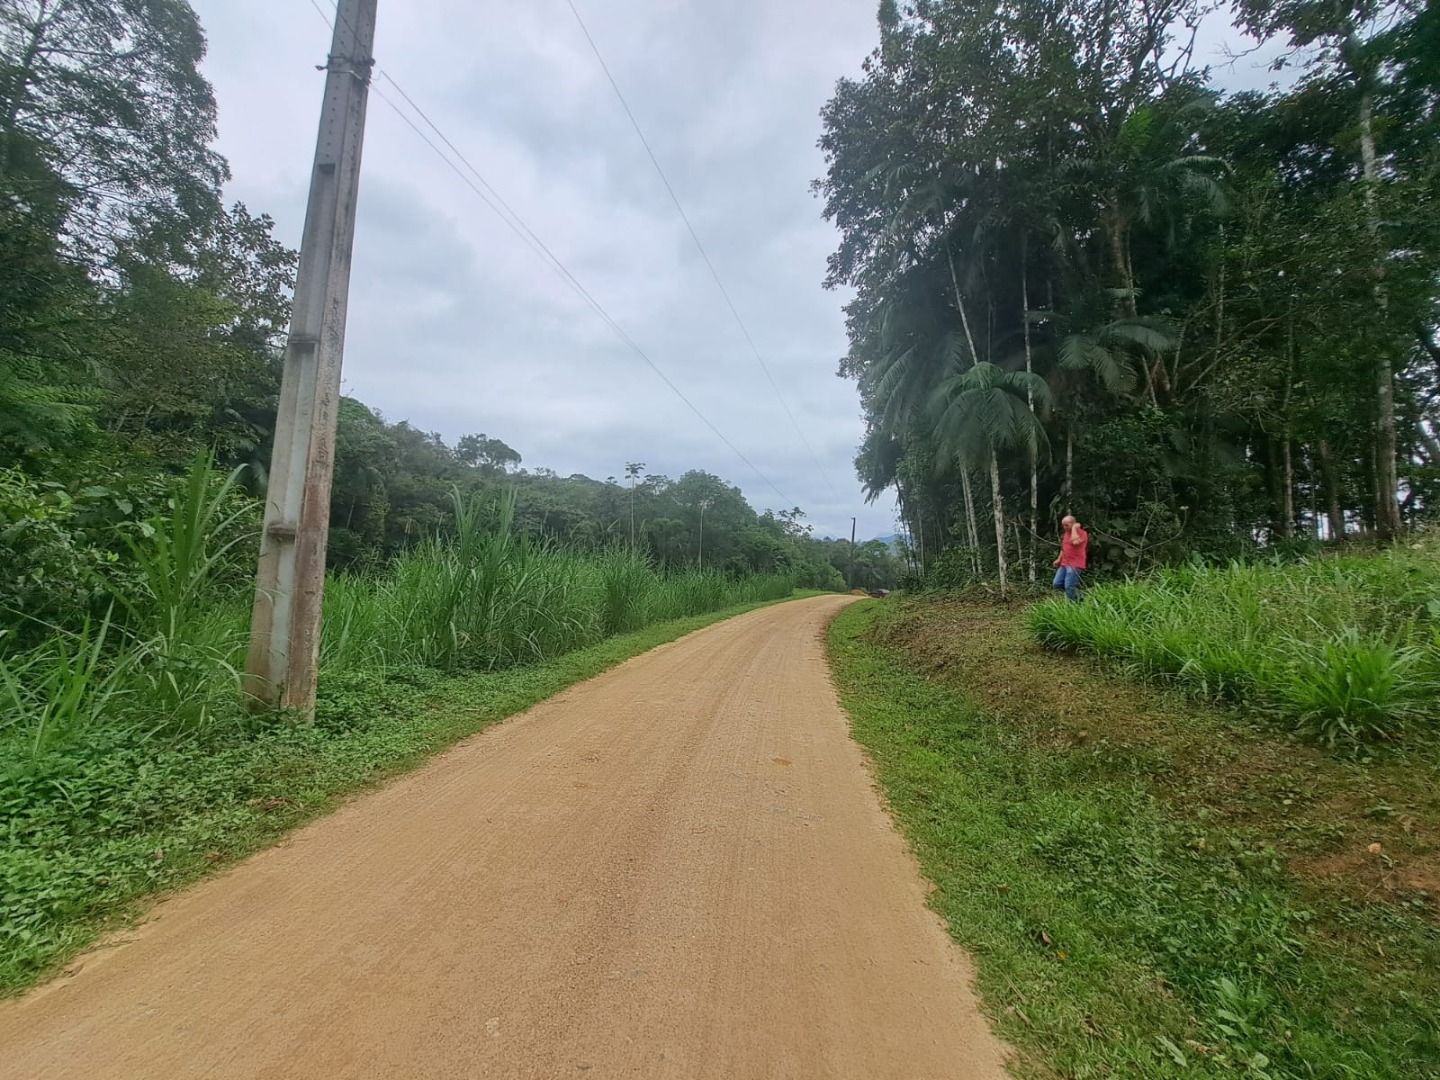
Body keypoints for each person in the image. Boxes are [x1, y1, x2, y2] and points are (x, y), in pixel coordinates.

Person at [1052, 515, 1088, 602]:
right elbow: (1064, 548)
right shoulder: (1066, 534)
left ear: (1073, 524)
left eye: (1066, 525)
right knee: (1057, 583)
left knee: (1069, 586)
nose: (1064, 527)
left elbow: (1075, 542)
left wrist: (1074, 529)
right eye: (1063, 525)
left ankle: (1075, 603)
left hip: (1075, 564)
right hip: (1065, 563)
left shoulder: (1082, 533)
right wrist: (1059, 559)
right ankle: (1080, 595)